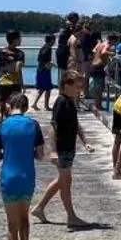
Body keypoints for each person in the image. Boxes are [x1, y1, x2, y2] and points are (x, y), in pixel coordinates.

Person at [0, 93, 45, 240]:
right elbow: (40, 155)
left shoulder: (2, 126)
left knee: (11, 223)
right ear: (26, 107)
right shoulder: (33, 125)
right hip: (27, 176)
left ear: (9, 105)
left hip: (9, 177)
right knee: (24, 219)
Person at [34, 73, 94, 226]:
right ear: (67, 84)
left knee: (62, 180)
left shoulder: (70, 101)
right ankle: (71, 217)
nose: (79, 90)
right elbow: (53, 126)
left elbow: (76, 124)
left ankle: (40, 208)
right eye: (77, 86)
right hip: (62, 148)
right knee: (65, 182)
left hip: (69, 147)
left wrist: (85, 141)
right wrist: (52, 150)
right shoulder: (61, 102)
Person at [0, 30, 26, 117]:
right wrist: (22, 84)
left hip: (2, 83)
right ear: (15, 39)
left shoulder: (0, 52)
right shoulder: (20, 54)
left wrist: (3, 75)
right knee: (12, 110)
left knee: (2, 110)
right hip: (14, 85)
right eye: (19, 38)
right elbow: (18, 70)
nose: (21, 40)